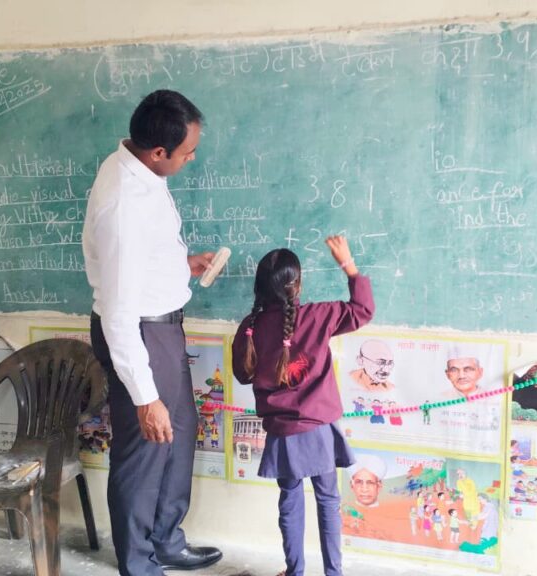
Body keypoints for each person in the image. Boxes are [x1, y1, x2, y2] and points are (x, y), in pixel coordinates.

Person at [83, 89, 221, 575]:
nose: (191, 158)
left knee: (177, 437)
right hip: (138, 335)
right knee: (145, 447)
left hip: (161, 329)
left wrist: (180, 265)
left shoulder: (142, 170)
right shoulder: (123, 204)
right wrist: (145, 397)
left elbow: (141, 262)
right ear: (158, 151)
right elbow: (119, 313)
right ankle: (138, 563)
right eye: (187, 152)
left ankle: (166, 540)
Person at [232, 236, 375, 576]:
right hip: (319, 429)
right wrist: (348, 266)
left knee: (290, 500)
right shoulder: (318, 316)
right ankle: (333, 573)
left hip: (282, 434)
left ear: (259, 287)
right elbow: (363, 310)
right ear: (297, 285)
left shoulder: (249, 328)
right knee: (328, 499)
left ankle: (294, 571)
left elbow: (241, 373)